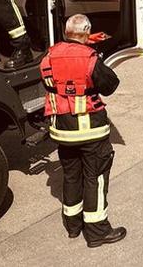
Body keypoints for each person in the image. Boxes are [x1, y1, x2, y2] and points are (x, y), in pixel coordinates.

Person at [40, 14, 126, 248]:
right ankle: (98, 230)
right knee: (95, 178)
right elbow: (110, 85)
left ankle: (73, 226)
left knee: (71, 176)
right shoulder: (90, 58)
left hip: (61, 131)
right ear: (87, 31)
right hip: (90, 131)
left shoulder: (49, 55)